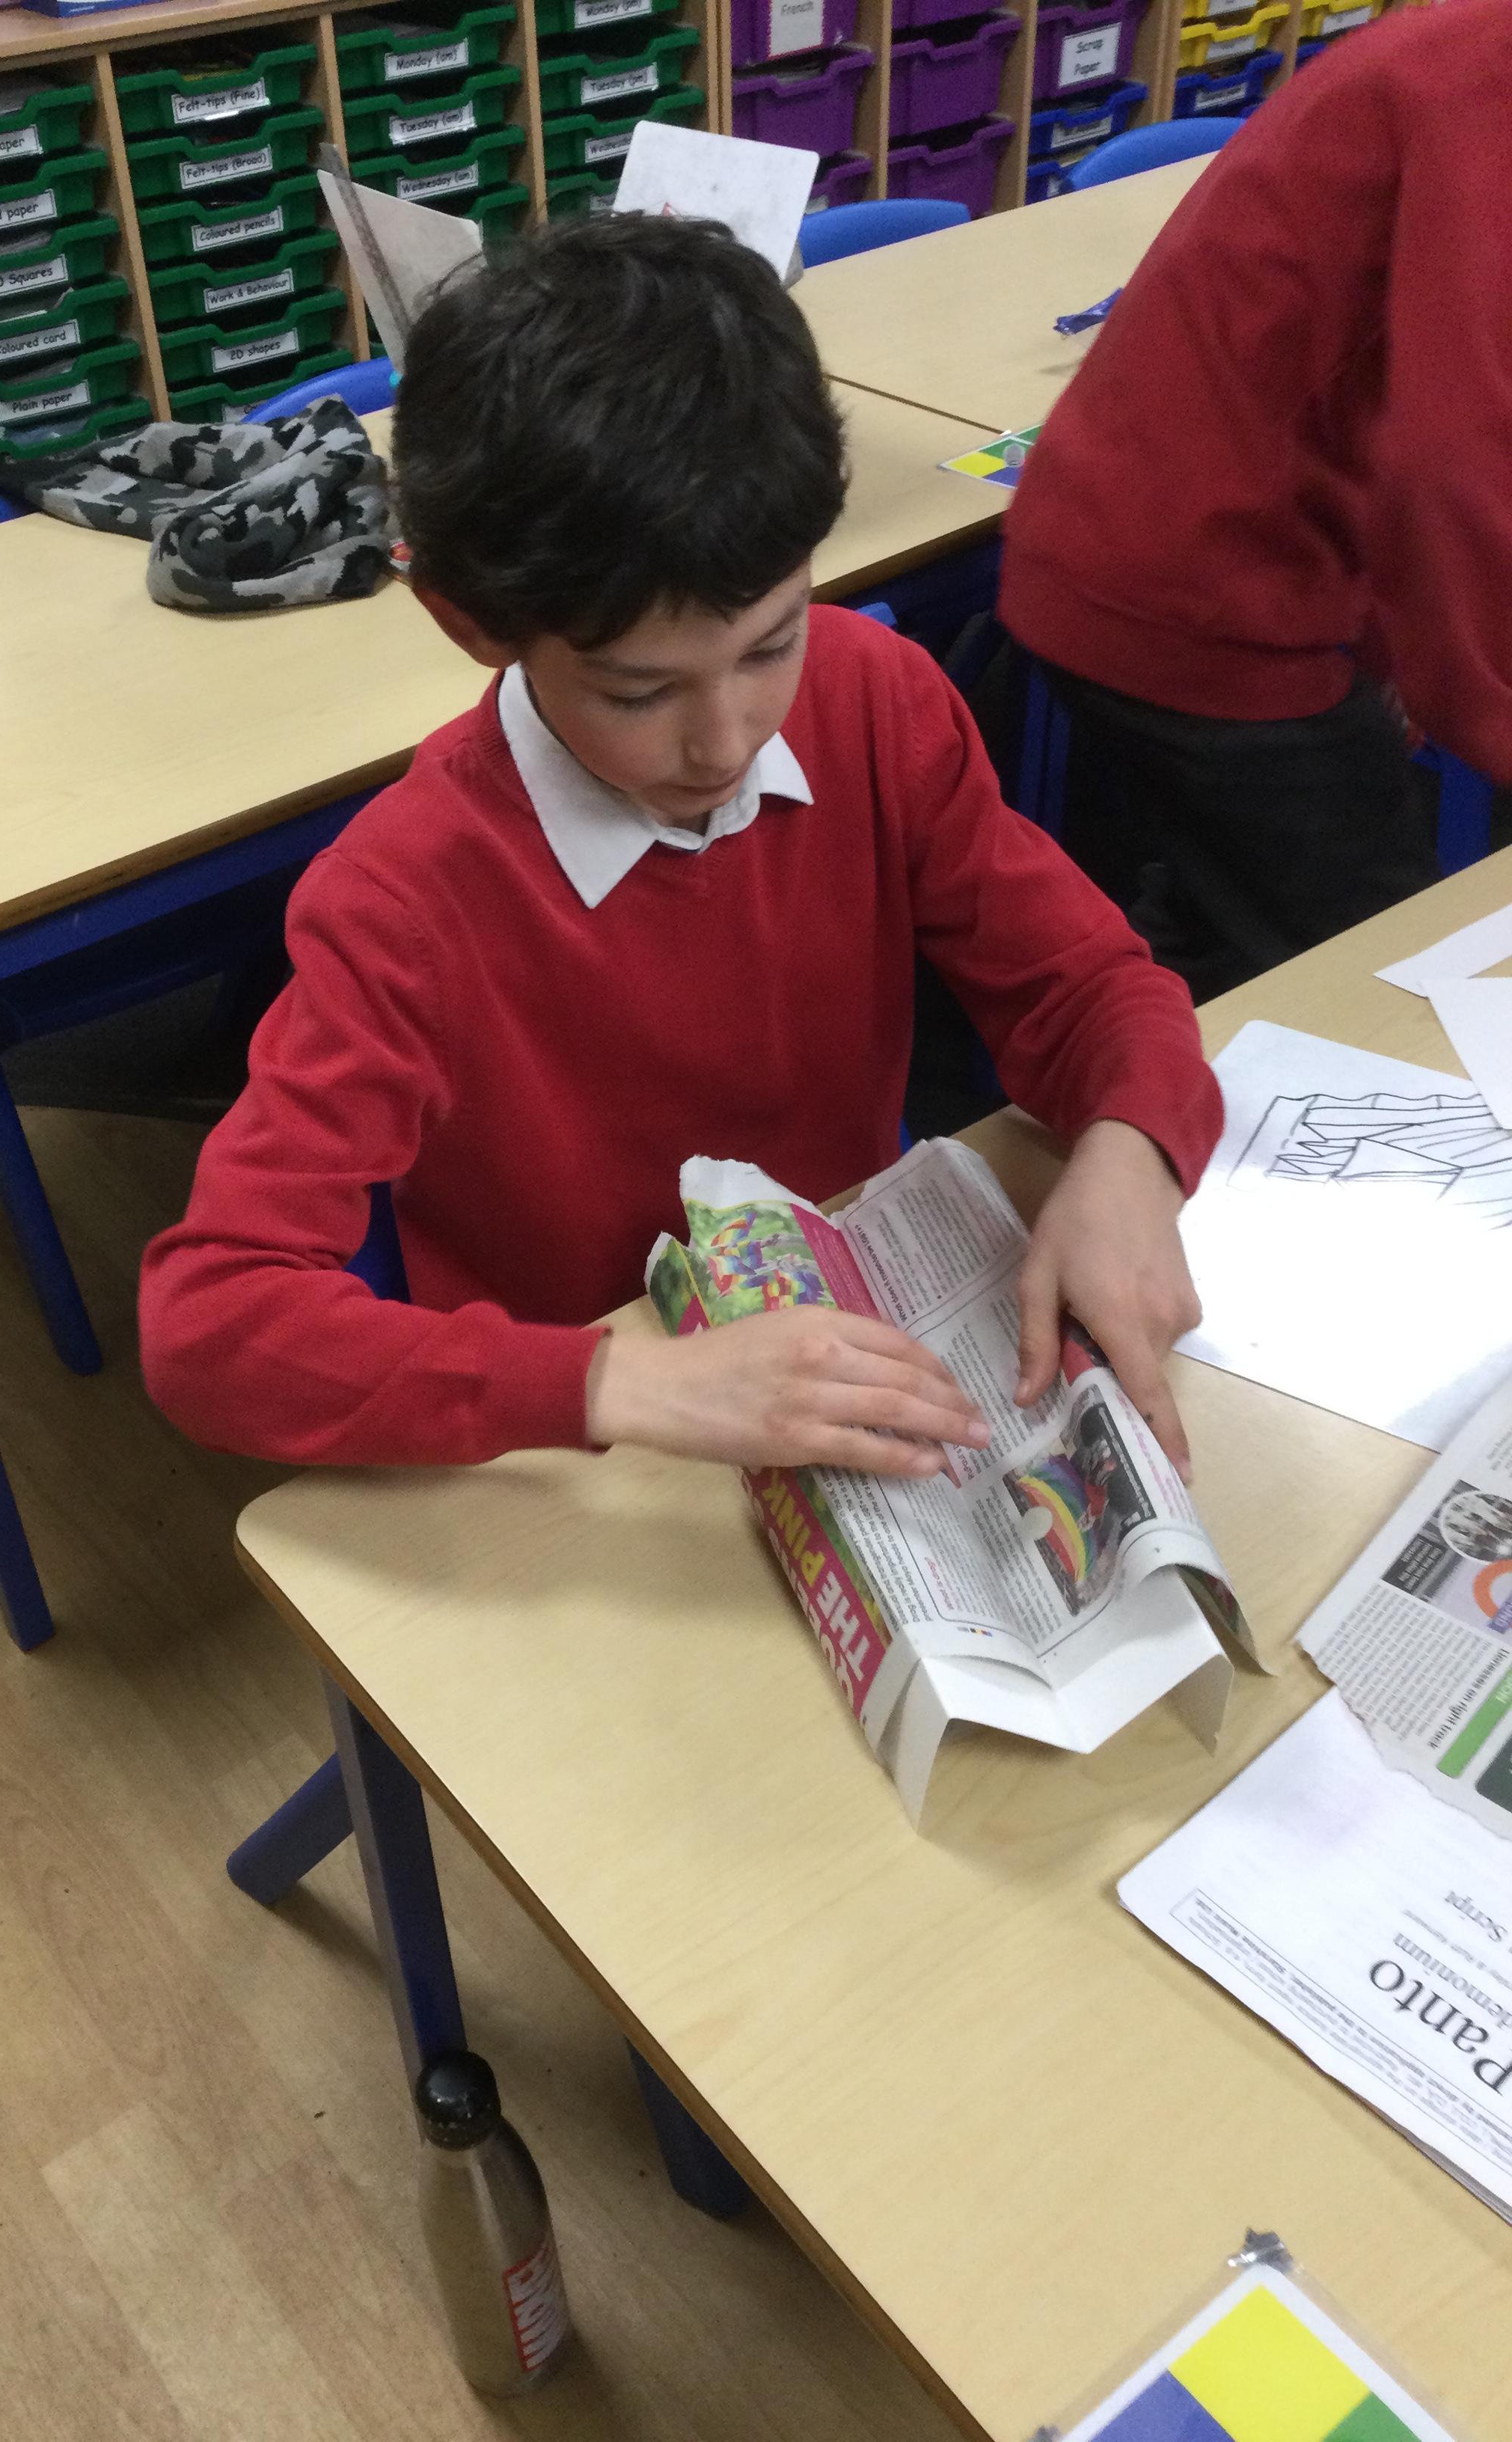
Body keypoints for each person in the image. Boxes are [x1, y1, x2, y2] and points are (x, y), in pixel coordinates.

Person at [140, 214, 1220, 1490]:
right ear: (471, 623)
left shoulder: (878, 701)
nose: (728, 738)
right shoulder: (405, 899)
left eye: (772, 644)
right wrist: (623, 1384)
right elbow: (212, 1326)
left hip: (855, 1345)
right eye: (639, 692)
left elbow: (1093, 987)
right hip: (596, 1443)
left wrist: (1132, 1154)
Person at [999, 0, 1512, 1001]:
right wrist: (1481, 710)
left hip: (1221, 546)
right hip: (1195, 577)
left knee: (1238, 924)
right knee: (1375, 985)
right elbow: (1457, 453)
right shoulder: (1481, 83)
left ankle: (1122, 1066)